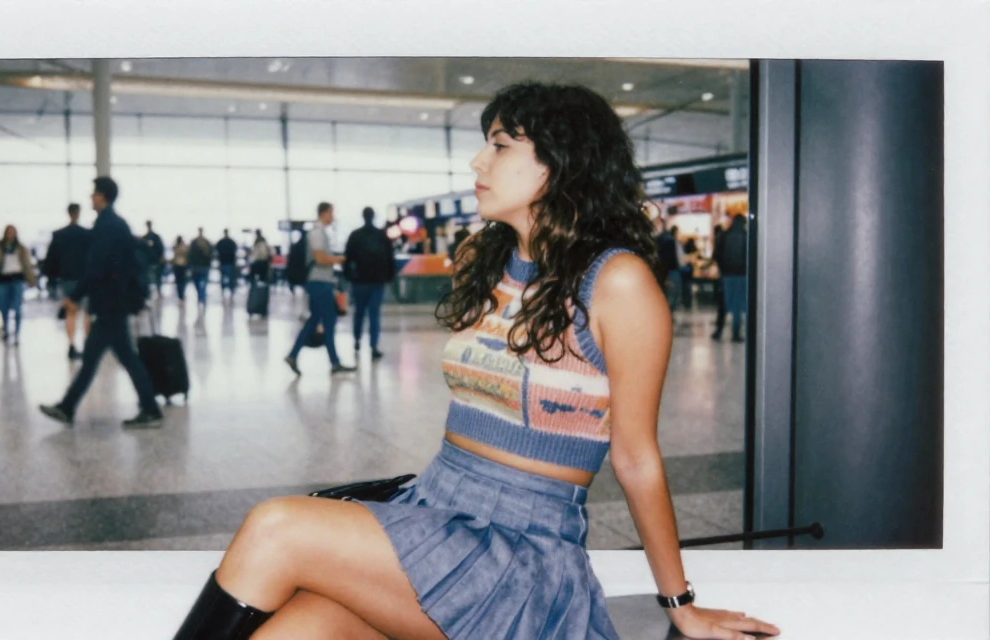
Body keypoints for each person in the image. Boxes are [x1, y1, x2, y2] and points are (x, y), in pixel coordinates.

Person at [171, 83, 780, 640]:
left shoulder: (617, 283)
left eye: (500, 145)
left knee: (277, 527)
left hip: (516, 555)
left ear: (562, 162)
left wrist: (680, 602)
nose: (477, 164)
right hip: (432, 513)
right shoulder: (485, 260)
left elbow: (637, 456)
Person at [39, 177, 163, 428]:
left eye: (94, 193)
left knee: (109, 358)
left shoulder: (108, 225)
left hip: (110, 303)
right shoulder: (113, 224)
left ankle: (69, 407)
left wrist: (74, 296)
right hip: (113, 302)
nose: (91, 197)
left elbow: (96, 267)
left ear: (103, 196)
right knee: (116, 357)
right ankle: (69, 407)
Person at [284, 203, 357, 376]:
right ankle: (334, 362)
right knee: (329, 320)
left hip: (321, 281)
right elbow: (320, 258)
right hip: (318, 282)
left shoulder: (320, 233)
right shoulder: (316, 233)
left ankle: (293, 355)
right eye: (331, 213)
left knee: (314, 321)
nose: (333, 217)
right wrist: (341, 259)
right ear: (323, 213)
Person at [344, 206, 397, 360]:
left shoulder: (355, 235)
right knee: (374, 314)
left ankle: (357, 341)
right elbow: (390, 257)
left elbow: (348, 258)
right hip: (377, 282)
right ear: (373, 217)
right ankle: (373, 346)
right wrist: (389, 276)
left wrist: (348, 277)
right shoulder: (381, 235)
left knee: (359, 313)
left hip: (359, 281)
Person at [45, 203, 93, 358]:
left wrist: (51, 278)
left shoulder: (59, 235)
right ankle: (87, 344)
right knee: (86, 312)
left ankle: (71, 345)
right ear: (78, 213)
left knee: (70, 312)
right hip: (84, 278)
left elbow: (51, 259)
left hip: (66, 278)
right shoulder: (87, 234)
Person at [0, 224, 37, 344]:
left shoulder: (21, 248)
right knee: (3, 307)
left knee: (17, 308)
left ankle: (17, 333)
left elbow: (27, 265)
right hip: (3, 279)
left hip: (17, 279)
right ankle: (6, 330)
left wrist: (31, 279)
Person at [714, 213, 749, 343]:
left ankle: (719, 331)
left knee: (726, 302)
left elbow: (716, 254)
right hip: (742, 274)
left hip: (727, 275)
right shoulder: (746, 235)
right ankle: (735, 333)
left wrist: (723, 269)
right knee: (739, 304)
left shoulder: (725, 234)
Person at [188, 228, 213, 308]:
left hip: (197, 266)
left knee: (199, 283)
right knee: (202, 283)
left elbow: (190, 255)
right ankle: (201, 298)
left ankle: (201, 298)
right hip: (202, 266)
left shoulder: (195, 242)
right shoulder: (206, 242)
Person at [143, 220, 166, 298]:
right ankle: (157, 292)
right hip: (153, 261)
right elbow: (161, 248)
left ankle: (154, 293)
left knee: (153, 278)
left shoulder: (146, 237)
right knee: (156, 278)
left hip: (153, 261)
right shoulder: (153, 237)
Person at [216, 229, 239, 297]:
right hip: (230, 262)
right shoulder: (232, 242)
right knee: (231, 278)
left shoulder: (220, 242)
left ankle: (223, 291)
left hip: (223, 262)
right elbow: (235, 251)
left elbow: (217, 252)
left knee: (223, 278)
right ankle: (231, 291)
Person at [171, 235, 190, 305]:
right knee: (182, 282)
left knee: (179, 282)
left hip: (177, 266)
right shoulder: (185, 247)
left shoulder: (175, 247)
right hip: (183, 266)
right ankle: (182, 295)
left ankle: (180, 296)